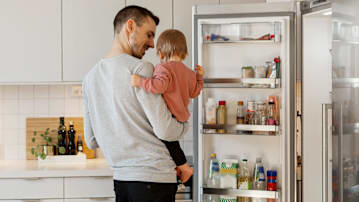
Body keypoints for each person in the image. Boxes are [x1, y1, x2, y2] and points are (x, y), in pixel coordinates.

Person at [82, 5, 188, 202]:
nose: (152, 43)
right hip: (155, 180)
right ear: (130, 26)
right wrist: (184, 123)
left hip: (122, 181)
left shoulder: (90, 78)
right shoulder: (141, 69)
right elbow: (165, 130)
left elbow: (91, 140)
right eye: (148, 35)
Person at [131, 29, 203, 183]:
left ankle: (185, 168)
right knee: (169, 143)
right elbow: (195, 92)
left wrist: (140, 82)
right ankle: (179, 166)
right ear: (184, 51)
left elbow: (158, 87)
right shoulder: (189, 73)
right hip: (182, 123)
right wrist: (199, 77)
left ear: (161, 52)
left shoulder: (164, 68)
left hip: (170, 121)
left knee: (159, 137)